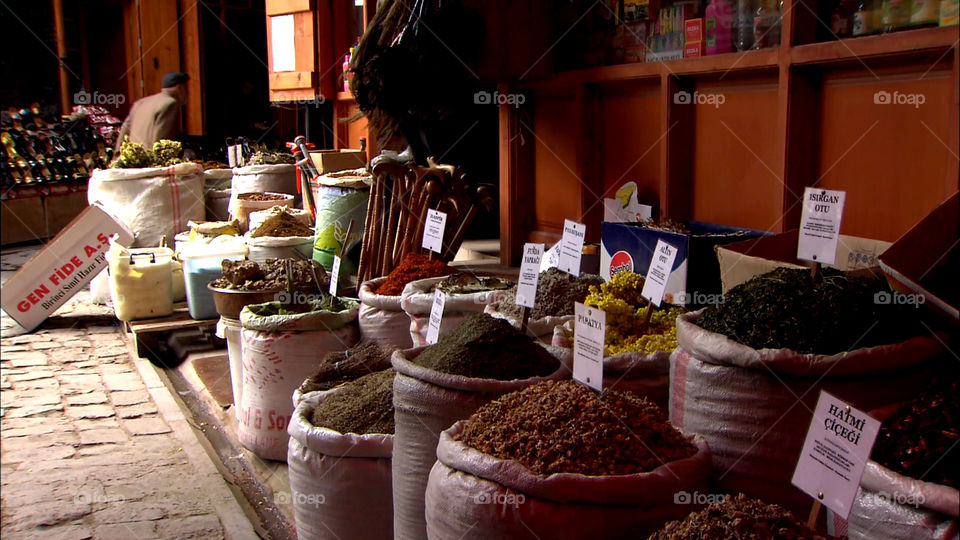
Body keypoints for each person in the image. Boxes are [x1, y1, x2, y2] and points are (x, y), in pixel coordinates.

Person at [115, 72, 189, 152]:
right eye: (186, 88)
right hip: (150, 160)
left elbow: (124, 130)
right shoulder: (170, 103)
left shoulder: (140, 103)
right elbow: (162, 140)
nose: (188, 92)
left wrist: (117, 155)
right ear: (179, 88)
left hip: (132, 158)